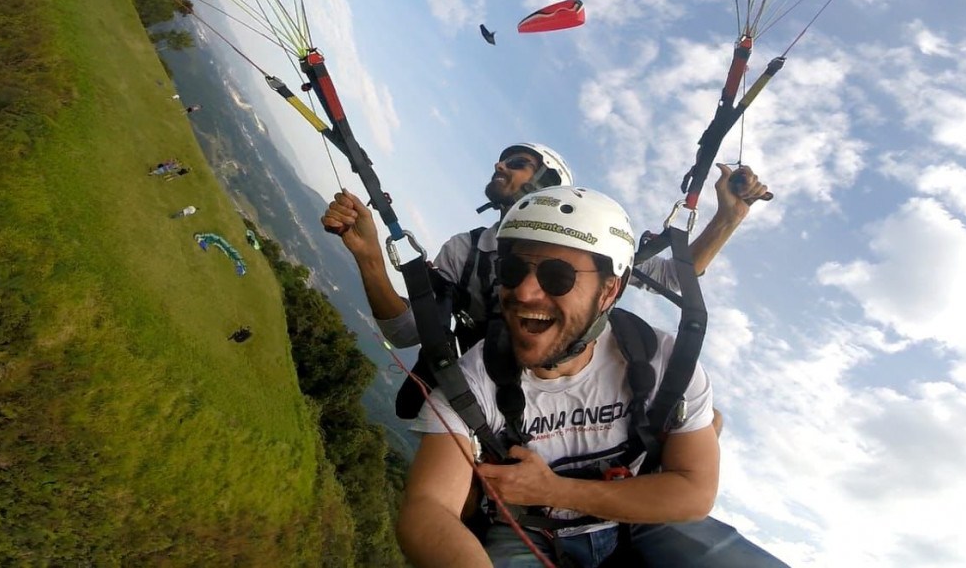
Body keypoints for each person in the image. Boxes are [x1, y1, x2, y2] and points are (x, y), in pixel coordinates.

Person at [396, 187, 786, 567]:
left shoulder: (660, 361)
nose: (525, 292)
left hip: (636, 516)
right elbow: (429, 508)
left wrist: (555, 490)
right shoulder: (475, 380)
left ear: (608, 290)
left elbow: (695, 492)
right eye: (512, 271)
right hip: (530, 528)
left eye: (557, 276)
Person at [321, 144, 767, 424]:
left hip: (566, 398)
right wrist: (370, 260)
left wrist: (727, 218)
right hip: (484, 395)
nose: (499, 164)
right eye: (503, 159)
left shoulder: (585, 245)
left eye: (516, 163)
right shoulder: (468, 249)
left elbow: (676, 275)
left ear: (548, 183)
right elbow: (406, 332)